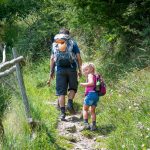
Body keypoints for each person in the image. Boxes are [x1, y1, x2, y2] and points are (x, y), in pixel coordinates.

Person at [47, 28, 82, 121]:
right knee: (73, 88)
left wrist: (51, 72)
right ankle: (70, 103)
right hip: (71, 68)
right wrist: (80, 69)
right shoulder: (72, 43)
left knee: (61, 92)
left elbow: (52, 58)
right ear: (68, 35)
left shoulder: (55, 44)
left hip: (59, 70)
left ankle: (62, 113)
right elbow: (78, 57)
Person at [80, 62, 100, 131]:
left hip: (91, 94)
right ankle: (94, 125)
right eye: (84, 70)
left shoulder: (90, 75)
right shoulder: (96, 76)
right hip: (96, 95)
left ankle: (86, 124)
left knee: (85, 109)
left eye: (86, 69)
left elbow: (91, 83)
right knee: (92, 111)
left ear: (91, 69)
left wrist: (83, 84)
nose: (85, 71)